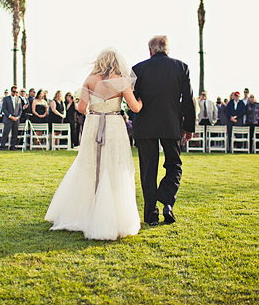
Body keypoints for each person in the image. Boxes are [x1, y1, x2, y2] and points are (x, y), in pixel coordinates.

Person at [45, 48, 143, 240]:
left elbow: (81, 108)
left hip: (94, 124)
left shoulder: (90, 79)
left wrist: (95, 108)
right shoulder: (122, 81)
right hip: (114, 125)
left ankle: (85, 212)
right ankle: (114, 215)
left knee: (90, 165)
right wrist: (140, 100)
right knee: (114, 165)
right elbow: (135, 108)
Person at [132, 36, 195, 226]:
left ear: (150, 50)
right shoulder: (181, 67)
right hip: (171, 125)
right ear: (168, 50)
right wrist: (189, 127)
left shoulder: (138, 69)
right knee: (174, 165)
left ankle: (151, 213)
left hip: (146, 126)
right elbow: (188, 100)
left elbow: (133, 100)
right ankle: (167, 201)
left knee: (148, 171)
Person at [0, 85, 23, 150]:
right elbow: (4, 109)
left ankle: (13, 146)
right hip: (8, 119)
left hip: (16, 119)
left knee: (15, 133)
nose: (14, 93)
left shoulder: (19, 99)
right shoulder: (6, 99)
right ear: (11, 91)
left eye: (16, 92)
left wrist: (18, 117)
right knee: (5, 133)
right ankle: (2, 146)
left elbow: (20, 109)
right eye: (13, 91)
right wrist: (10, 116)